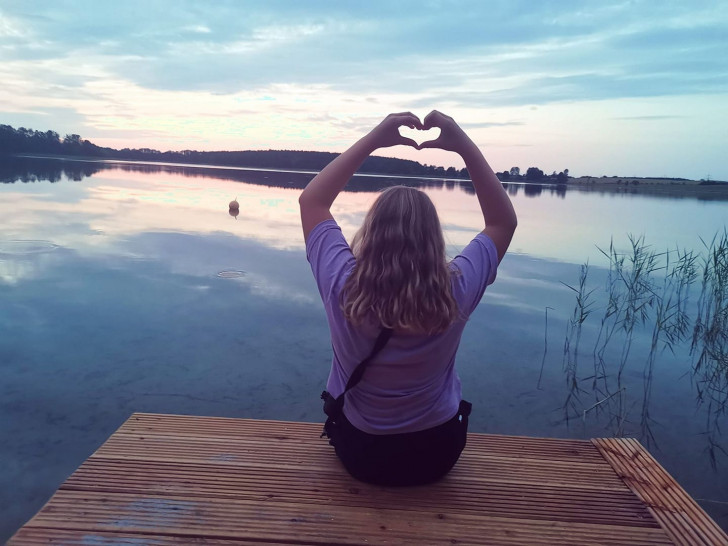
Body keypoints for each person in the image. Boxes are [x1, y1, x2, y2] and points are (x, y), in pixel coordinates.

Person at [299, 111, 517, 486]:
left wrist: (373, 139)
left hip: (361, 454)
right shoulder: (456, 288)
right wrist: (463, 146)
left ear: (371, 231)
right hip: (437, 453)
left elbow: (312, 201)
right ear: (433, 238)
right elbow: (502, 223)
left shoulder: (342, 284)